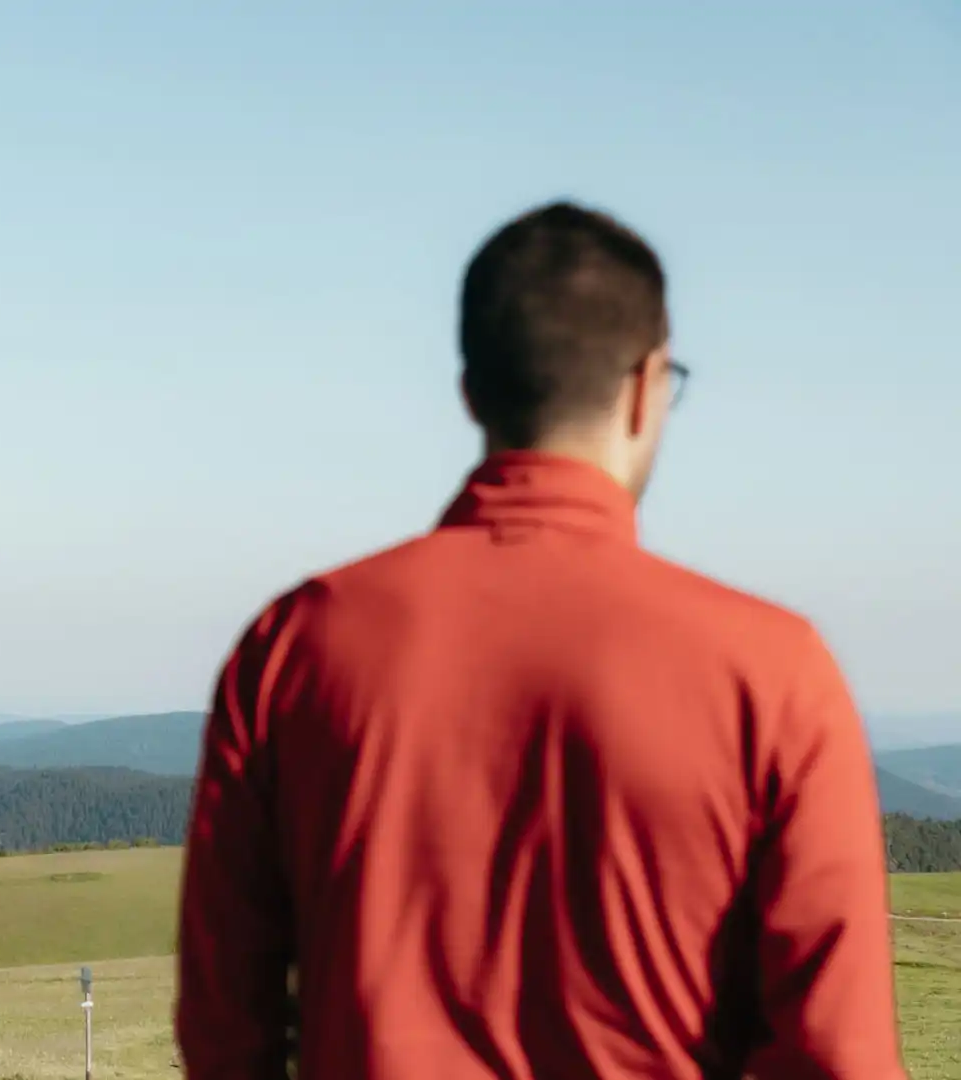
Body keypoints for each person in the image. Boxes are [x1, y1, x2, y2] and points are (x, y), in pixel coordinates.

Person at [176, 201, 906, 1080]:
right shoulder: (775, 672)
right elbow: (838, 1057)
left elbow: (226, 1032)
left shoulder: (292, 647)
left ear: (471, 392)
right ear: (647, 387)